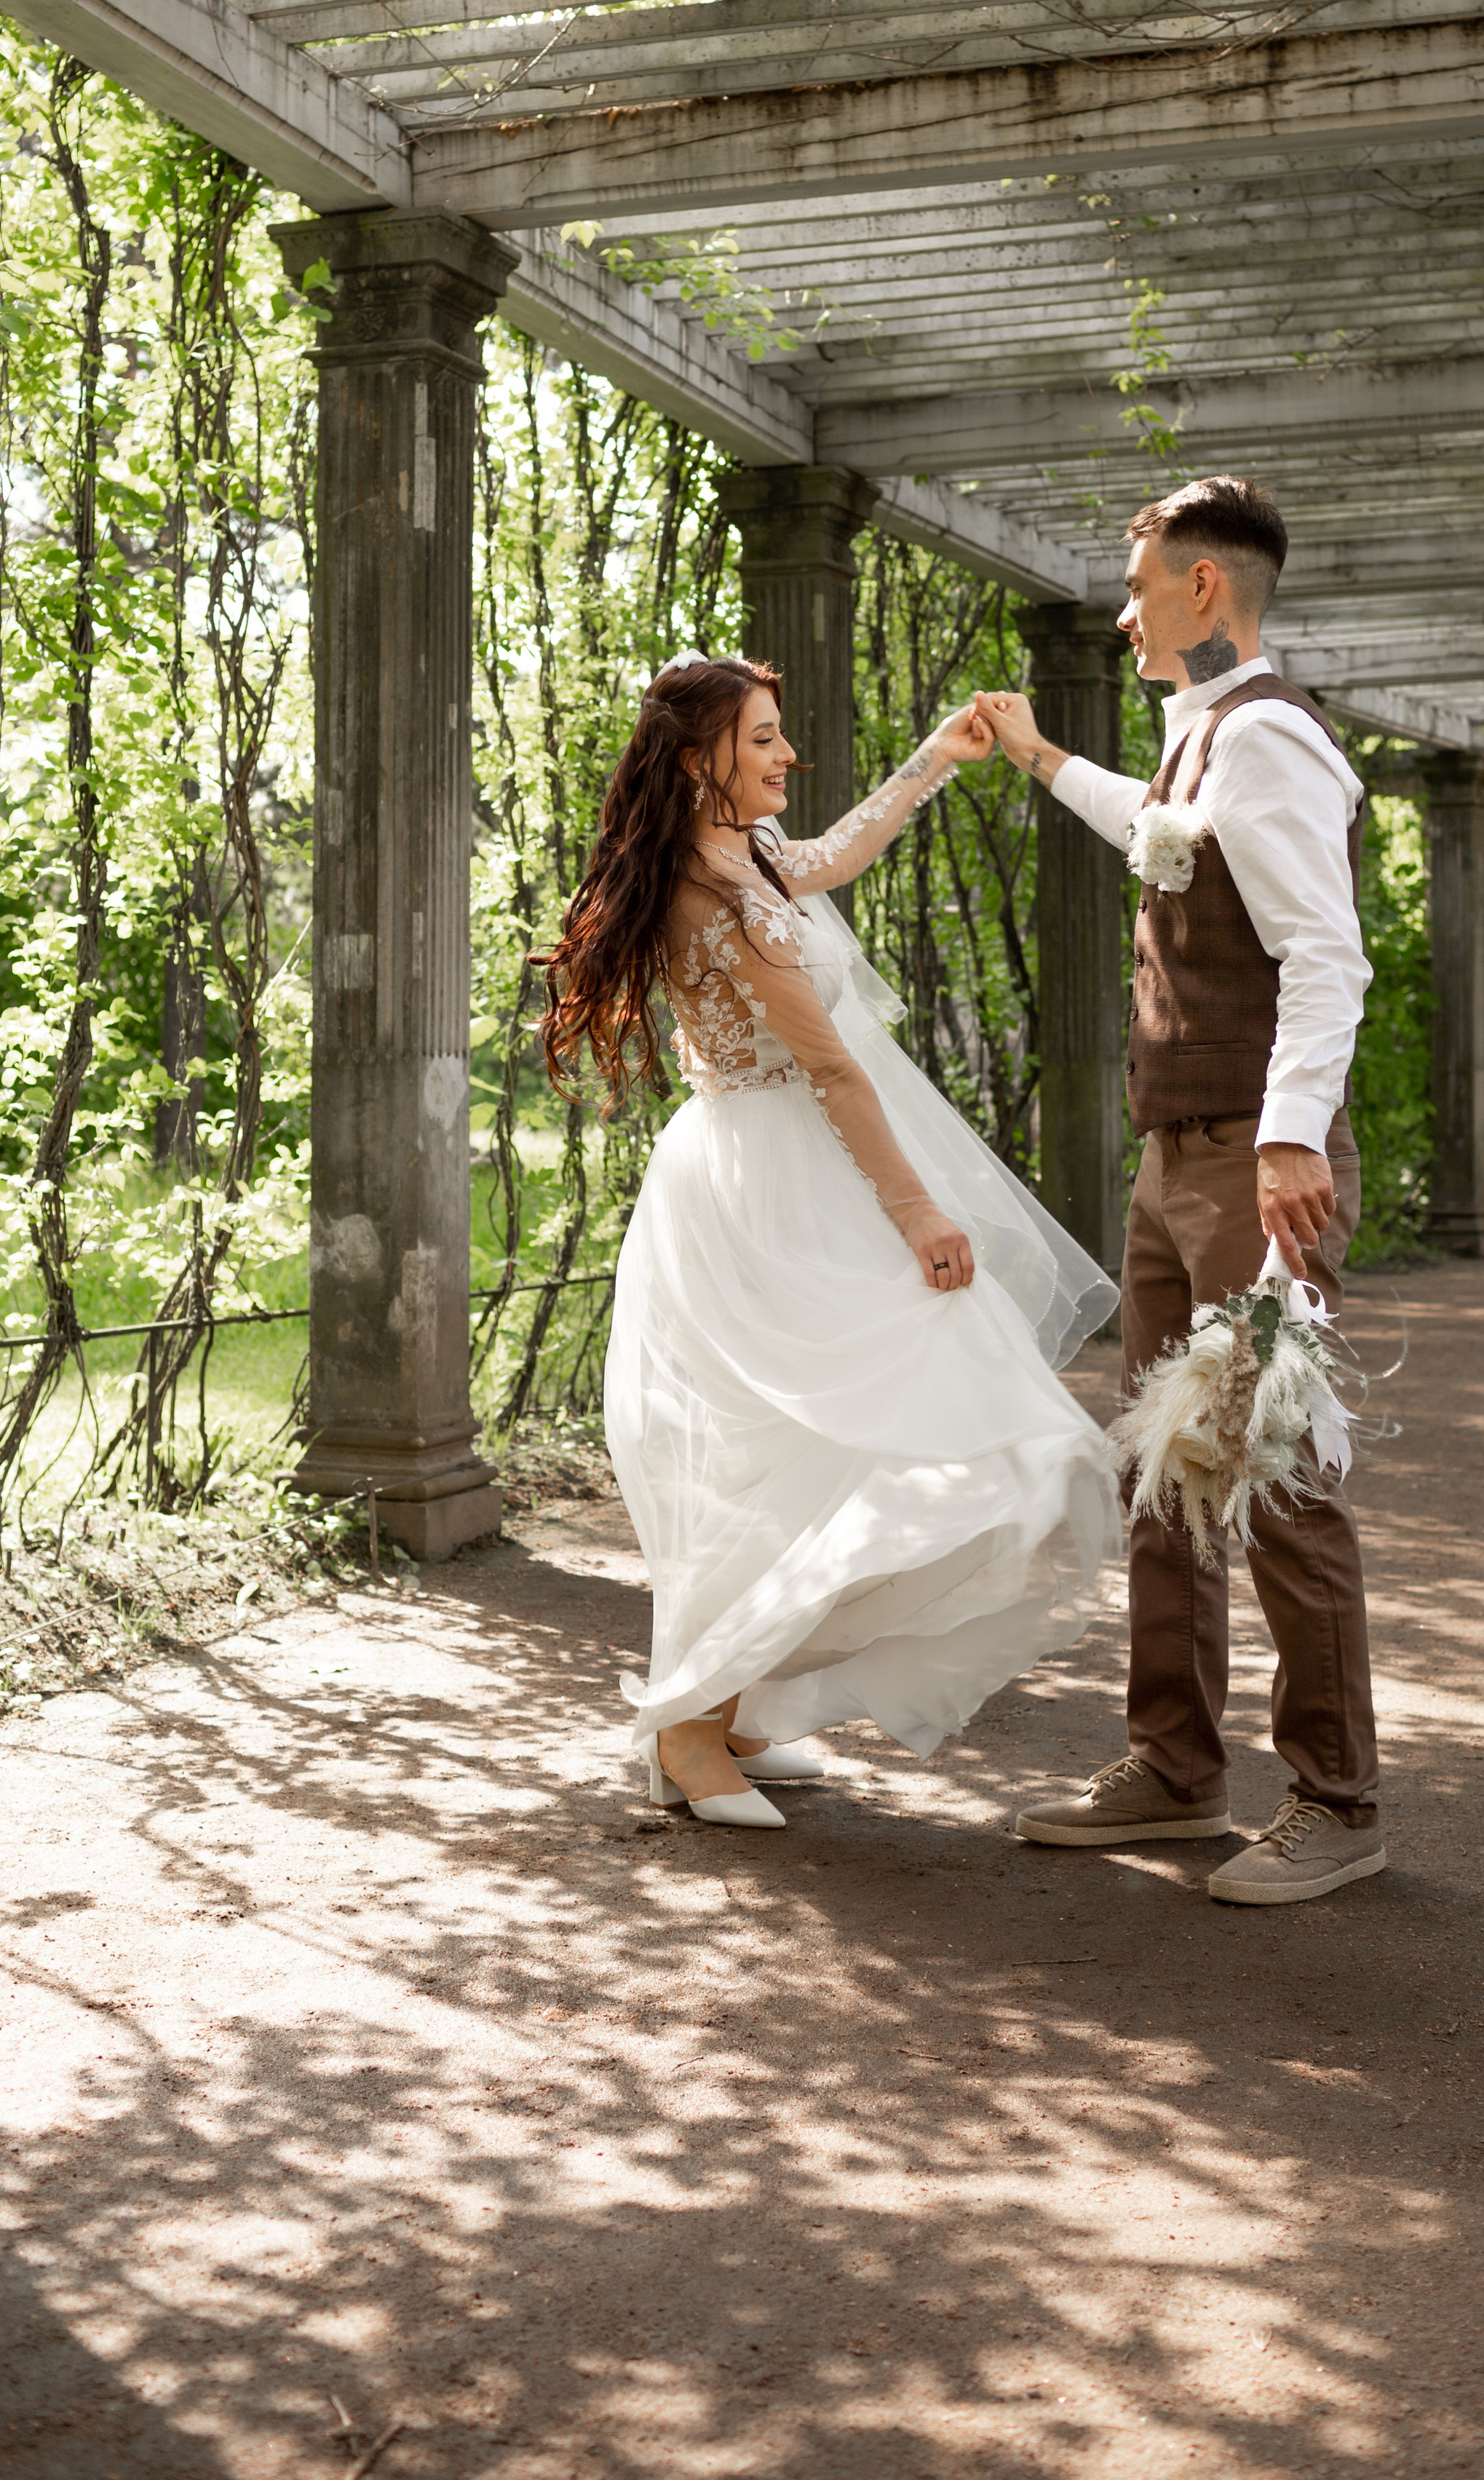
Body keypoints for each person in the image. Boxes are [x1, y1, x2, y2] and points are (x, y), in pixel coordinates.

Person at [537, 654, 1120, 1830]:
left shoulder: (743, 858)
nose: (786, 756)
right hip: (771, 1186)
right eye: (763, 739)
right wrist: (917, 1208)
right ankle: (689, 1735)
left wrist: (932, 766)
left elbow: (828, 859)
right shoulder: (717, 892)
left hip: (783, 1167)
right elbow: (832, 1065)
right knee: (782, 1453)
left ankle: (738, 1713)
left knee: (818, 1449)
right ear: (704, 758)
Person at [980, 476, 1383, 1906]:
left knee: (1269, 1473)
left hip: (1242, 1163)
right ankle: (1173, 1769)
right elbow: (1171, 845)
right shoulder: (1203, 737)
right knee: (1164, 1468)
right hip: (1175, 1162)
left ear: (1201, 590)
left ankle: (1335, 1803)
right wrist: (1039, 761)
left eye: (1139, 581)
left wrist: (1286, 1140)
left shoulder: (1264, 735)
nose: (1122, 606)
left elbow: (1325, 959)